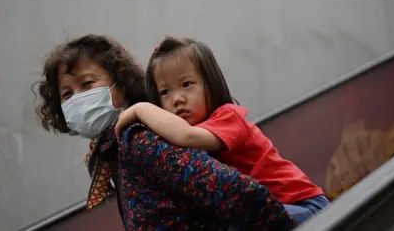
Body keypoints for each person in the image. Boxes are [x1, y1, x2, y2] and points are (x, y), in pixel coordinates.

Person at [33, 34, 293, 230]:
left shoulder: (138, 140)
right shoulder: (112, 151)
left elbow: (241, 193)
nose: (77, 98)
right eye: (67, 93)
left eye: (87, 83)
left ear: (121, 85)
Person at [115, 36, 330, 226]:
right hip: (267, 210)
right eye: (165, 91)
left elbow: (186, 136)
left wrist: (140, 109)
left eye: (187, 84)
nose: (177, 98)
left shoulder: (229, 117)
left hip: (305, 207)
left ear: (211, 84)